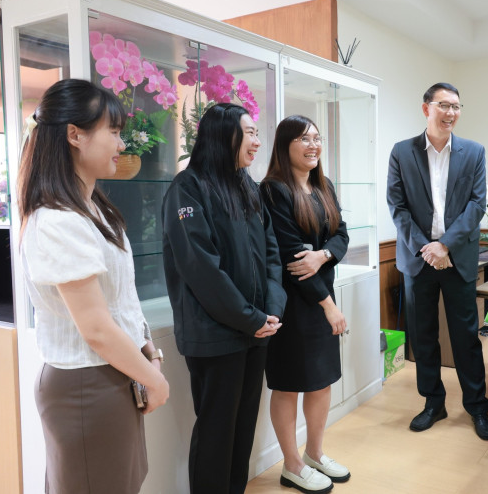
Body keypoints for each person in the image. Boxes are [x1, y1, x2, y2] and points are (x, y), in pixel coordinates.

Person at [18, 78, 170, 493]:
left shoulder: (92, 208)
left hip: (112, 376)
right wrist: (154, 378)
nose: (122, 145)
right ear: (75, 135)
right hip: (86, 385)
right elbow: (96, 328)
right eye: (114, 132)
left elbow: (121, 300)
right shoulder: (58, 220)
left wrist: (148, 352)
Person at [162, 103, 286, 494]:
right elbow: (201, 268)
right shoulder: (188, 188)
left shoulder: (248, 186)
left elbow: (271, 254)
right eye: (250, 133)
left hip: (256, 330)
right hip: (215, 335)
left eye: (257, 133)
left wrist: (271, 311)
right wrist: (250, 318)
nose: (258, 141)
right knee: (216, 433)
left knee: (243, 429)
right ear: (222, 135)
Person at [386, 82, 488, 440]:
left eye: (456, 107)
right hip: (418, 261)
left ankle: (477, 407)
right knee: (423, 337)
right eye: (444, 105)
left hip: (457, 259)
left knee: (466, 338)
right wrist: (427, 249)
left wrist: (444, 246)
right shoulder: (402, 152)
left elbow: (476, 205)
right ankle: (434, 403)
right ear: (426, 108)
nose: (451, 113)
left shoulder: (473, 152)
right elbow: (397, 207)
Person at [260, 115, 350, 494]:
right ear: (285, 145)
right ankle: (292, 464)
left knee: (321, 382)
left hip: (321, 296)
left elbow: (342, 234)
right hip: (293, 304)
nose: (313, 145)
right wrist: (329, 305)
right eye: (303, 139)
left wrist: (323, 254)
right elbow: (292, 259)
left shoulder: (322, 186)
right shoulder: (273, 190)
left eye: (317, 138)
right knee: (289, 386)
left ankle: (315, 453)